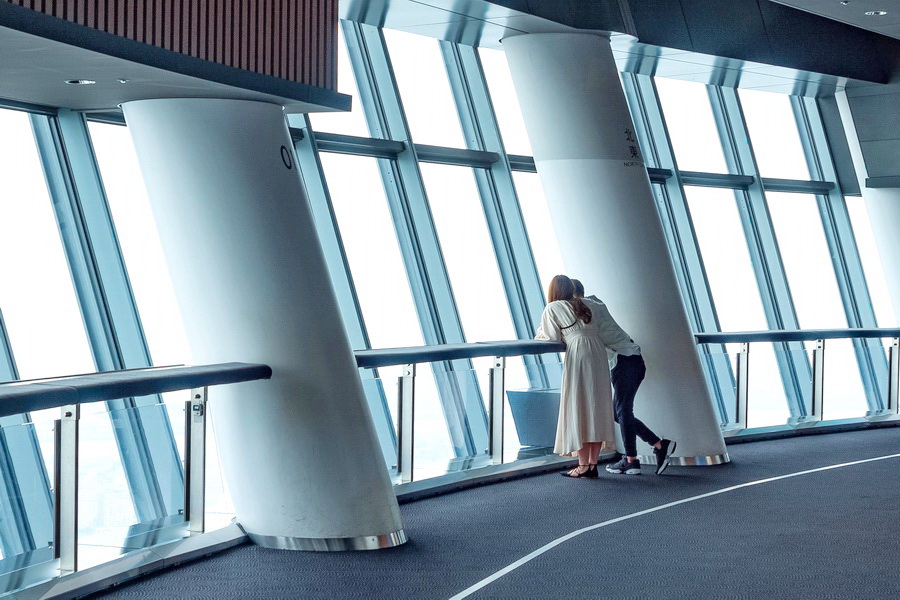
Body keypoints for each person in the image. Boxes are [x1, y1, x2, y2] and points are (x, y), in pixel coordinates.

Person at [571, 279, 676, 476]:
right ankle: (658, 445)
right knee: (617, 412)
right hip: (629, 359)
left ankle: (632, 459)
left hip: (625, 360)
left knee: (622, 411)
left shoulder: (584, 307)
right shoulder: (593, 304)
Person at [535, 275, 616, 479]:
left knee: (578, 407)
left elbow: (550, 336)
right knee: (596, 408)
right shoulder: (585, 304)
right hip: (597, 352)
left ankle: (582, 465)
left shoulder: (553, 308)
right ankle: (592, 464)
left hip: (578, 352)